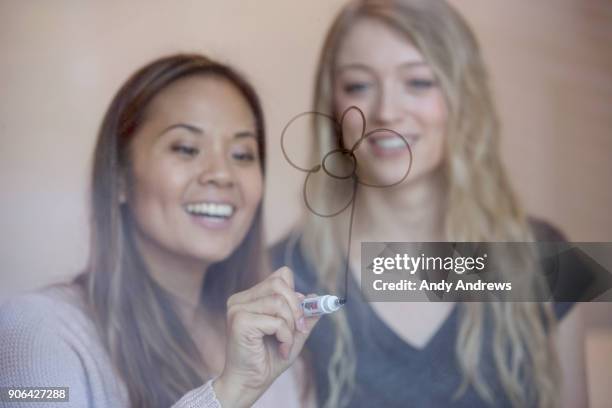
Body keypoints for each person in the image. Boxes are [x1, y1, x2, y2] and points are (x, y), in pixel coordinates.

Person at [272, 1, 588, 407]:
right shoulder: (284, 277)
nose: (386, 111)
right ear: (332, 105)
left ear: (463, 95)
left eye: (418, 82)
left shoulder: (551, 259)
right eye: (359, 86)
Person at [0, 54, 319, 408]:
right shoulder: (39, 333)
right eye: (186, 148)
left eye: (242, 154)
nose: (222, 173)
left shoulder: (281, 355)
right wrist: (232, 391)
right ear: (119, 175)